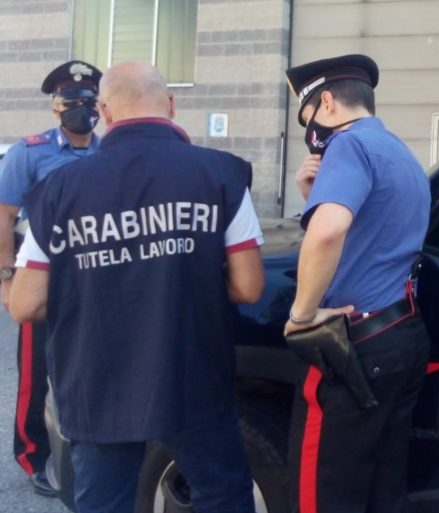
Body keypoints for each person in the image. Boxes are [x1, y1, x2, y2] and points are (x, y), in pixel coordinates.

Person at [9, 61, 264, 513]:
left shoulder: (59, 190)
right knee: (223, 495)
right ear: (171, 104)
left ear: (105, 113)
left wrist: (96, 288)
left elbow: (25, 305)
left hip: (97, 382)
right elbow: (248, 287)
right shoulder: (221, 174)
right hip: (192, 375)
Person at [283, 54, 431, 513]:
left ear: (327, 102)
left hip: (356, 351)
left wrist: (302, 316)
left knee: (325, 496)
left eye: (309, 117)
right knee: (382, 490)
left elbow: (329, 233)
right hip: (402, 334)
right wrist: (315, 197)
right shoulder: (398, 151)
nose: (312, 131)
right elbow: (373, 234)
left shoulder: (348, 146)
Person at [0, 59, 103, 497]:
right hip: (42, 277)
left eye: (89, 100)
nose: (82, 108)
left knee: (89, 365)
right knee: (37, 370)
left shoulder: (109, 151)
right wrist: (6, 278)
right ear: (56, 106)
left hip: (96, 277)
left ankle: (85, 445)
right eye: (71, 100)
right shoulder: (29, 152)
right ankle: (33, 454)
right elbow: (4, 217)